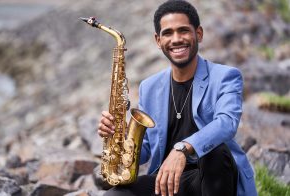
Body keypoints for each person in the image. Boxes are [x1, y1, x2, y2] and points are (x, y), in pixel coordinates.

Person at [97, 0, 257, 195]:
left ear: (198, 34)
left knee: (215, 152)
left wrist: (182, 149)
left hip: (212, 179)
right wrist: (118, 138)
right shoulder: (150, 87)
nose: (176, 39)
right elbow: (145, 149)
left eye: (183, 30)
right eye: (168, 33)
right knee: (115, 194)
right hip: (167, 183)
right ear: (158, 41)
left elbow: (227, 123)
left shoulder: (225, 76)